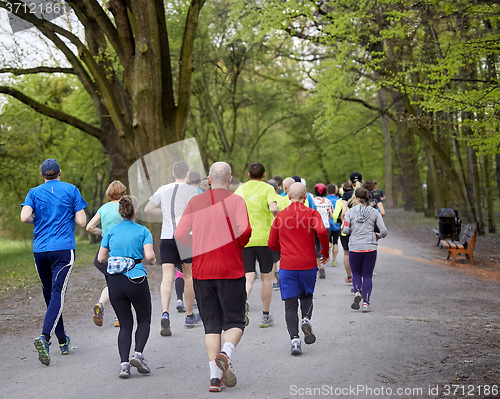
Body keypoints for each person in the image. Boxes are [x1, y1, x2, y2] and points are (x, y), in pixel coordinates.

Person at [175, 162, 252, 392]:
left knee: (211, 325)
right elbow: (245, 230)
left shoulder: (195, 202)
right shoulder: (236, 200)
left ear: (209, 179)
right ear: (229, 180)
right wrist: (237, 245)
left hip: (202, 271)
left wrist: (197, 246)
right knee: (236, 321)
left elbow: (180, 233)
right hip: (231, 269)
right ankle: (226, 353)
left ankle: (214, 378)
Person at [20, 158, 87, 365]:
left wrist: (37, 218)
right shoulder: (71, 189)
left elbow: (24, 218)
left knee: (50, 294)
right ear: (60, 172)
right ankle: (45, 337)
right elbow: (82, 221)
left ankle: (62, 340)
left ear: (42, 176)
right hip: (63, 250)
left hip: (40, 250)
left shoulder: (34, 192)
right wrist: (68, 215)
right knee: (57, 293)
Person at [97, 196, 157, 378]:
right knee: (144, 319)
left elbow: (100, 258)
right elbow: (149, 256)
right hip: (136, 279)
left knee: (124, 325)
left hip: (115, 281)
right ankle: (137, 354)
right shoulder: (143, 231)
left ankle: (124, 365)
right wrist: (153, 260)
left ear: (119, 211)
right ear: (135, 211)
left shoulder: (110, 231)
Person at [268, 182, 329, 355]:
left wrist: (285, 249)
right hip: (308, 265)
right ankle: (306, 320)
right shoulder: (311, 213)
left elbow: (272, 243)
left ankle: (295, 341)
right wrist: (324, 252)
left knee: (290, 305)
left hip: (287, 266)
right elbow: (323, 232)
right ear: (304, 198)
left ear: (288, 197)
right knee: (307, 296)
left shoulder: (280, 217)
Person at [144, 161, 200, 336]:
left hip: (167, 237)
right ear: (187, 174)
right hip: (185, 236)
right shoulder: (193, 191)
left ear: (172, 172)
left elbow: (148, 208)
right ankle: (190, 316)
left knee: (167, 277)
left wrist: (166, 212)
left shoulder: (163, 188)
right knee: (189, 275)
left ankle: (165, 313)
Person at [235, 162, 279, 328]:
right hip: (264, 238)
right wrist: (277, 215)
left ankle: (242, 304)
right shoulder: (268, 188)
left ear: (248, 175)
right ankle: (265, 316)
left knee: (248, 276)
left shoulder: (241, 189)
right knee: (266, 277)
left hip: (246, 238)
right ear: (264, 175)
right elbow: (274, 208)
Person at [86, 180, 127, 328]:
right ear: (123, 192)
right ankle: (119, 316)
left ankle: (101, 304)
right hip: (120, 249)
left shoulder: (103, 208)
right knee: (121, 283)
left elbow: (89, 227)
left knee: (112, 283)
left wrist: (103, 232)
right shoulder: (124, 207)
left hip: (103, 251)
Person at [341, 187, 387, 313]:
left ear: (356, 199)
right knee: (367, 276)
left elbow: (345, 230)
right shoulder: (375, 212)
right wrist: (377, 236)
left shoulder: (350, 212)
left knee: (356, 273)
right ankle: (366, 303)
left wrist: (349, 230)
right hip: (370, 248)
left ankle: (357, 291)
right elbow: (384, 231)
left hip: (355, 247)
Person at [340, 173, 364, 285]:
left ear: (350, 182)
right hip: (362, 228)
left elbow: (344, 212)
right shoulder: (365, 194)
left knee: (347, 253)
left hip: (349, 227)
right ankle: (361, 278)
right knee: (361, 253)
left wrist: (343, 223)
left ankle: (350, 277)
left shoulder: (346, 195)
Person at [313, 183, 333, 279]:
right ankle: (323, 265)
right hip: (326, 226)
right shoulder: (328, 201)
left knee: (316, 246)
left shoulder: (312, 201)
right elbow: (331, 215)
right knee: (323, 246)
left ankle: (319, 266)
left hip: (315, 226)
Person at [326, 184, 341, 267]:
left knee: (328, 241)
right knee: (336, 242)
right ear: (336, 191)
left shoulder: (325, 200)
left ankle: (327, 255)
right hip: (336, 224)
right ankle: (334, 260)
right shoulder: (339, 200)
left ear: (327, 191)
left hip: (327, 223)